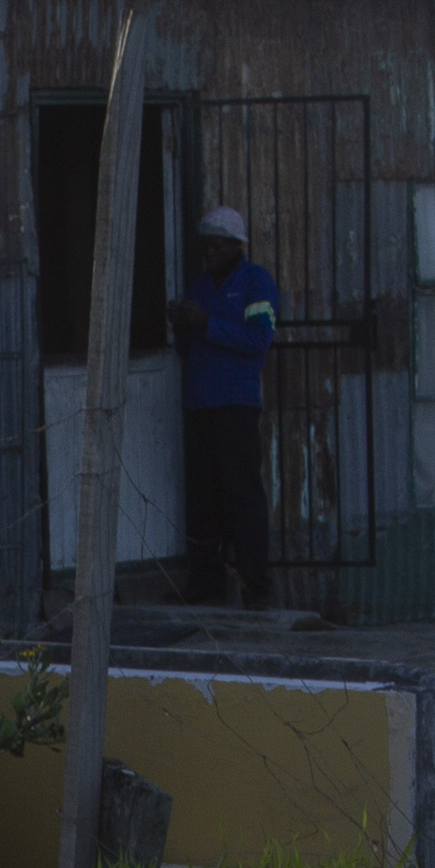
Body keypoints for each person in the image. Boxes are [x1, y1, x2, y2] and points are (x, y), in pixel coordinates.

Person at [170, 204, 284, 606]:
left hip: (235, 404)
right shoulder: (200, 287)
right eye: (206, 248)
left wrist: (206, 324)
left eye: (216, 247)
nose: (209, 254)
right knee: (203, 501)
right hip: (200, 404)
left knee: (242, 497)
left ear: (237, 245)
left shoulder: (255, 283)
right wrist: (182, 327)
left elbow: (257, 341)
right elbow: (188, 349)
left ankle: (257, 587)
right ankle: (207, 585)